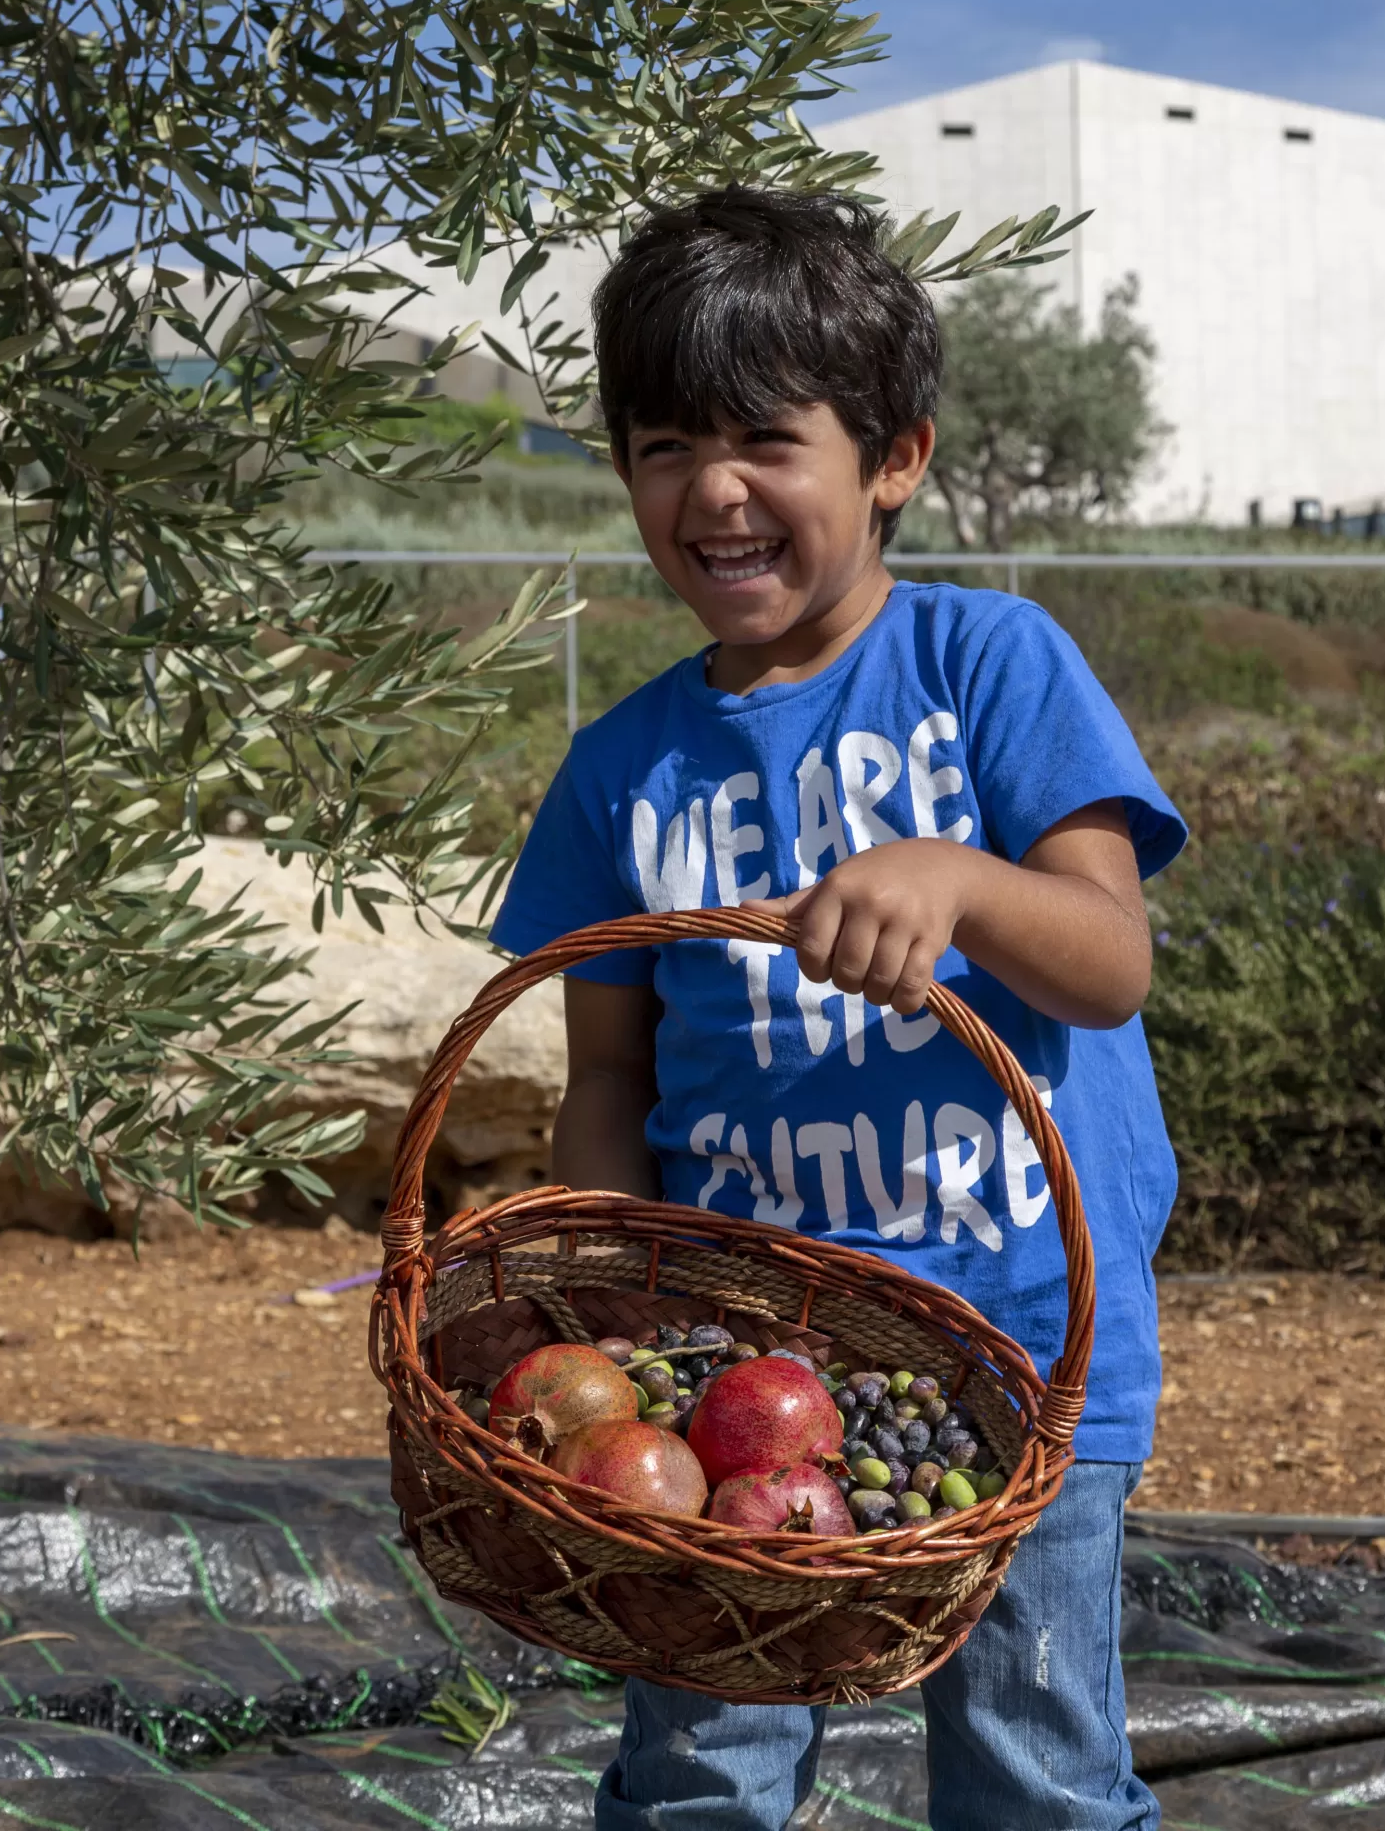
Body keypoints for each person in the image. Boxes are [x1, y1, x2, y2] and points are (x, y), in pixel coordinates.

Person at [488, 185, 1184, 1831]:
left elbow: (1109, 954)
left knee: (1034, 1774)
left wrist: (958, 879)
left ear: (895, 460)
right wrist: (609, 1316)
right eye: (663, 445)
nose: (712, 491)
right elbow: (607, 1076)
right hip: (734, 1377)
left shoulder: (989, 666)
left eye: (764, 440)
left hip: (1023, 1352)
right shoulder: (620, 771)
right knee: (701, 1776)